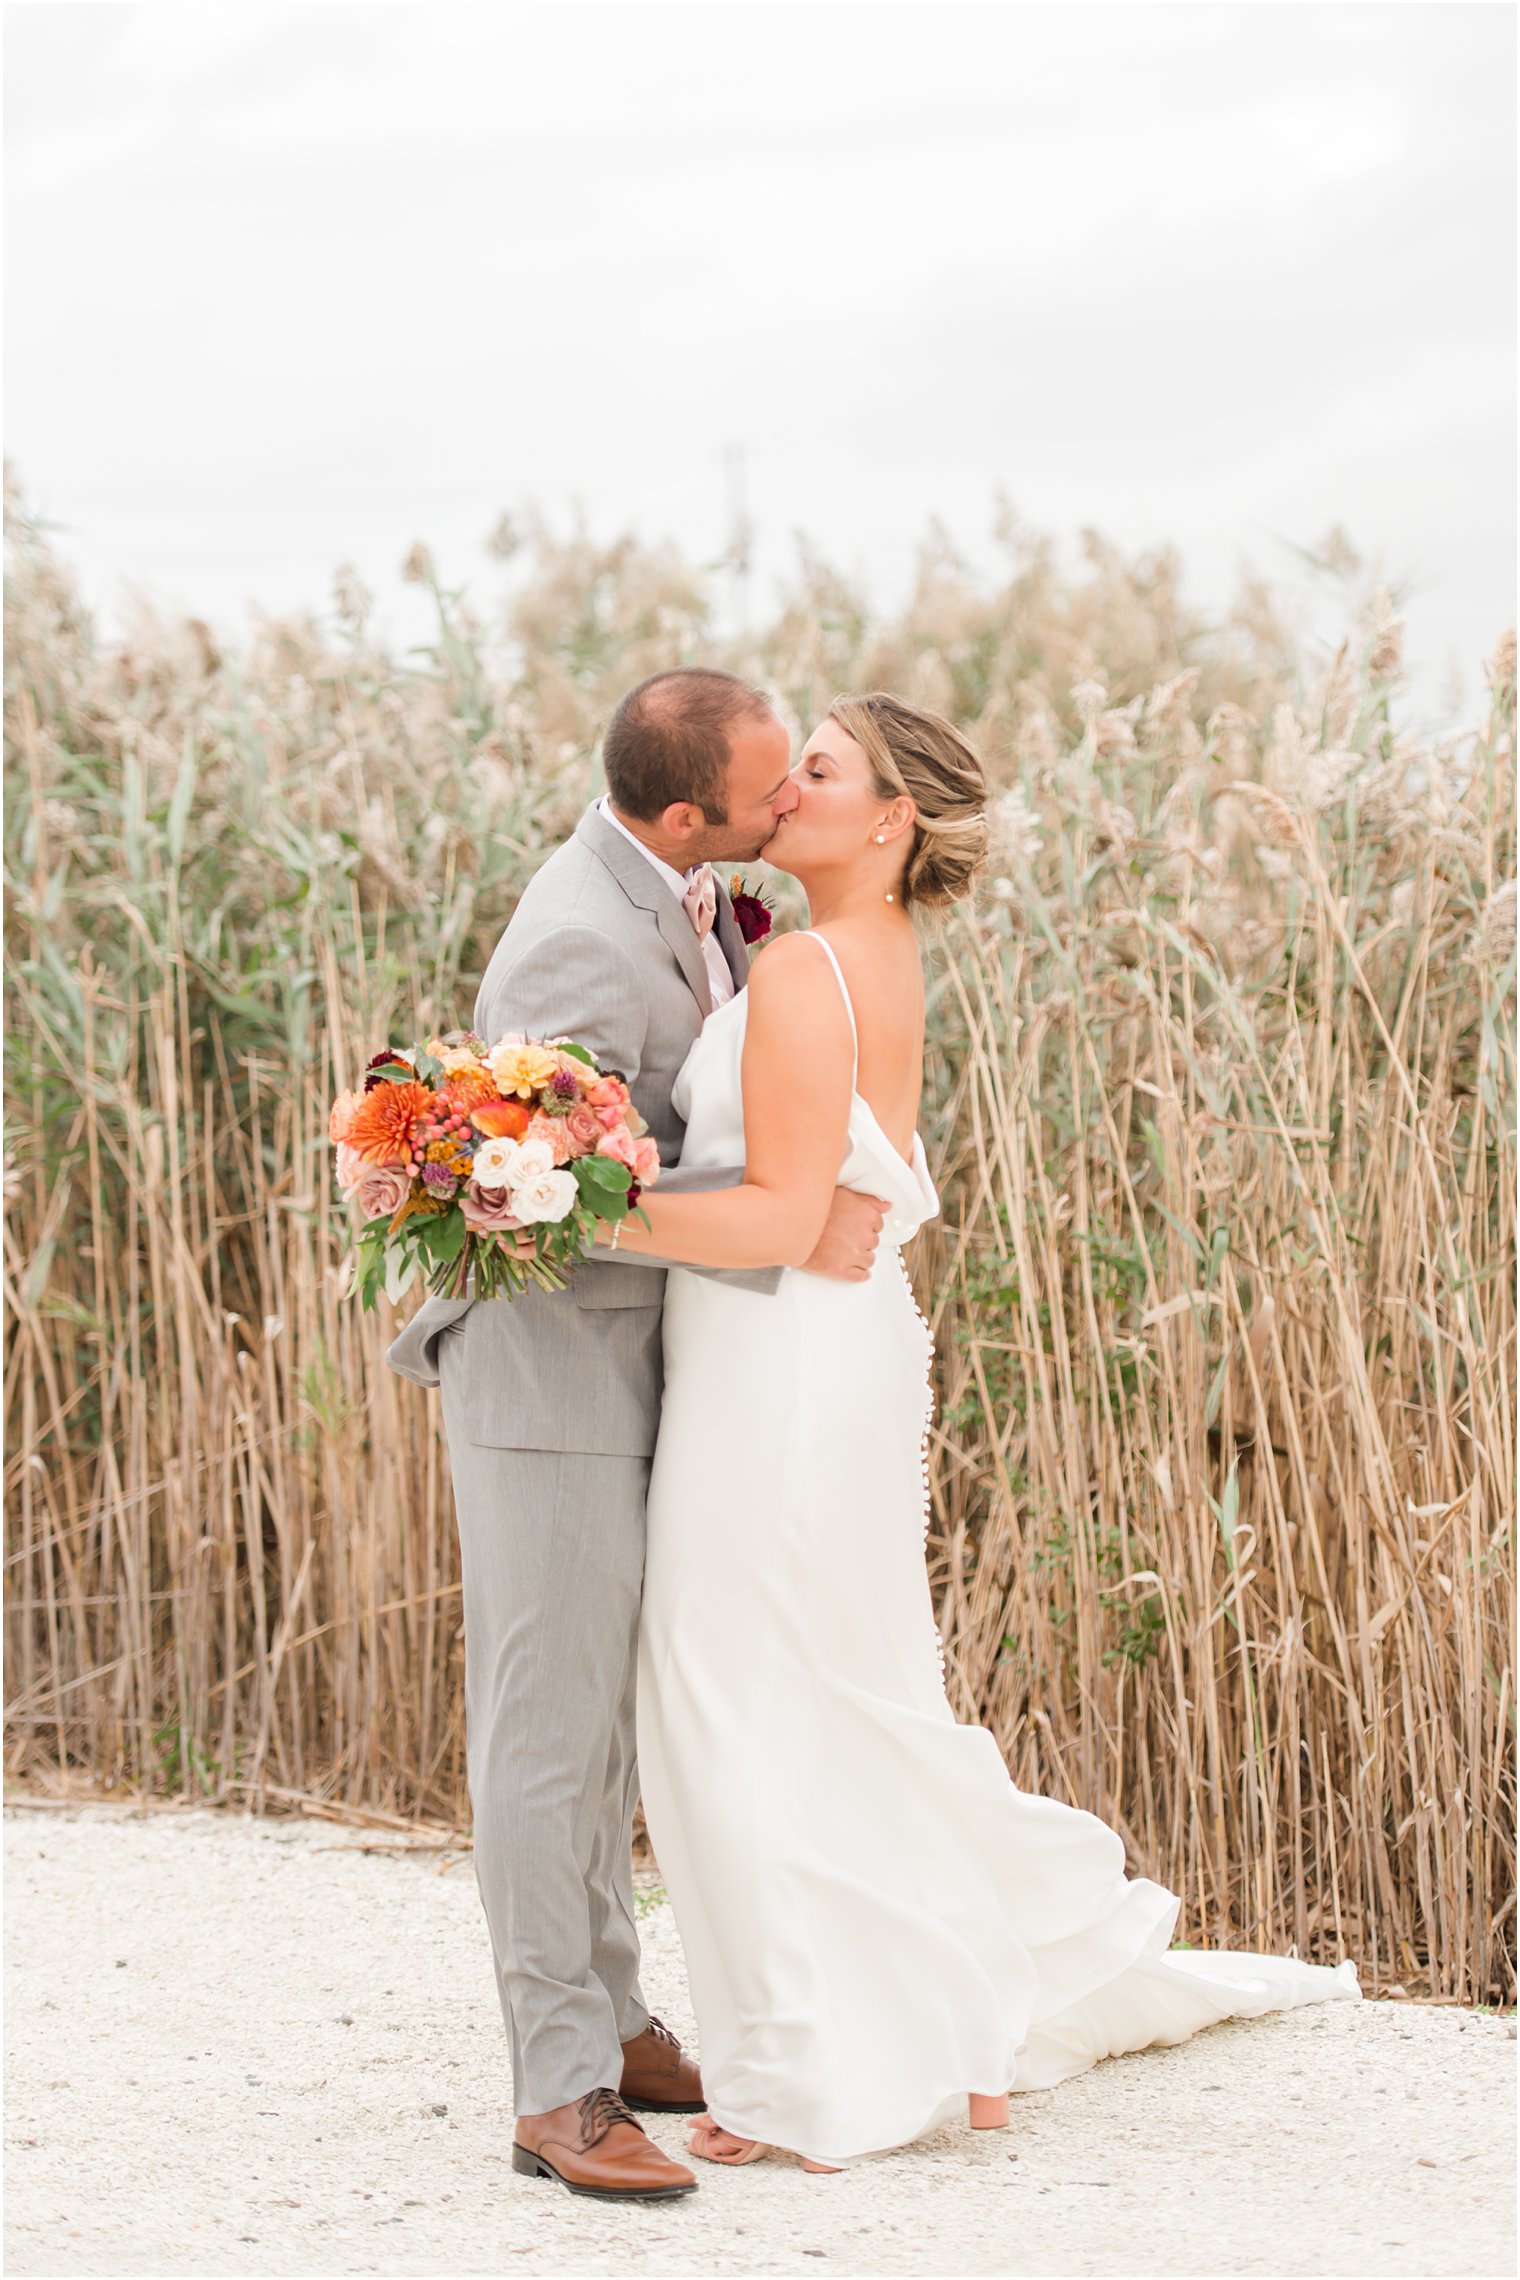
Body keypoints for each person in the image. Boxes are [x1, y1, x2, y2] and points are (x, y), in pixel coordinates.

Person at [601, 689, 1362, 2173]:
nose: (779, 791)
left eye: (814, 772)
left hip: (785, 1362)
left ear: (889, 818)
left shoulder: (815, 968)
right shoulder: (863, 953)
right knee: (833, 1681)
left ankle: (813, 2072)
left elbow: (779, 1216)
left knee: (726, 1689)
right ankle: (941, 2020)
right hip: (824, 1342)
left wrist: (538, 1200)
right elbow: (852, 1189)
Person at [384, 669, 888, 2203]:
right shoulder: (578, 947)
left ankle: (614, 2011)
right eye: (760, 797)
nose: (783, 806)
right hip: (550, 1386)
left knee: (602, 1728)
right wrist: (781, 1238)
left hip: (634, 1374)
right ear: (690, 817)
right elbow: (535, 1211)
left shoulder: (669, 887)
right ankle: (558, 2092)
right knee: (547, 1739)